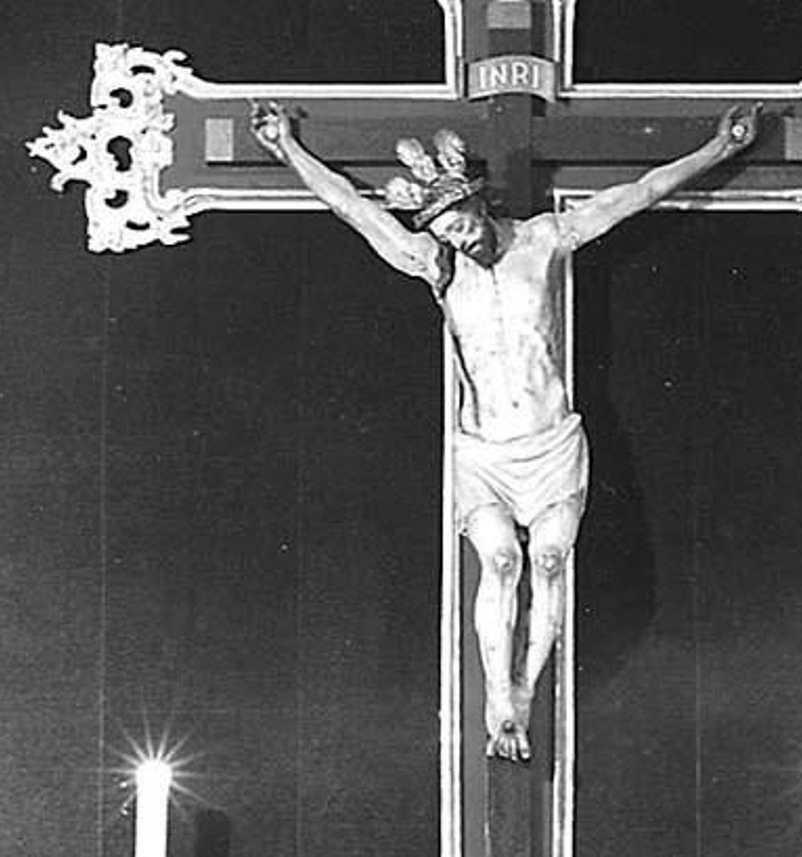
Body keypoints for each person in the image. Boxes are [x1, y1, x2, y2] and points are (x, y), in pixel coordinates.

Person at [251, 100, 760, 762]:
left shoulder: (544, 239)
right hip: (486, 452)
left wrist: (716, 151)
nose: (456, 237)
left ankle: (527, 688)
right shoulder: (437, 266)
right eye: (443, 229)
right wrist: (290, 151)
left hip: (550, 444)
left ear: (476, 202)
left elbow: (639, 194)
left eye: (459, 221)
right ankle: (500, 702)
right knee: (500, 561)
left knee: (548, 563)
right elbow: (356, 209)